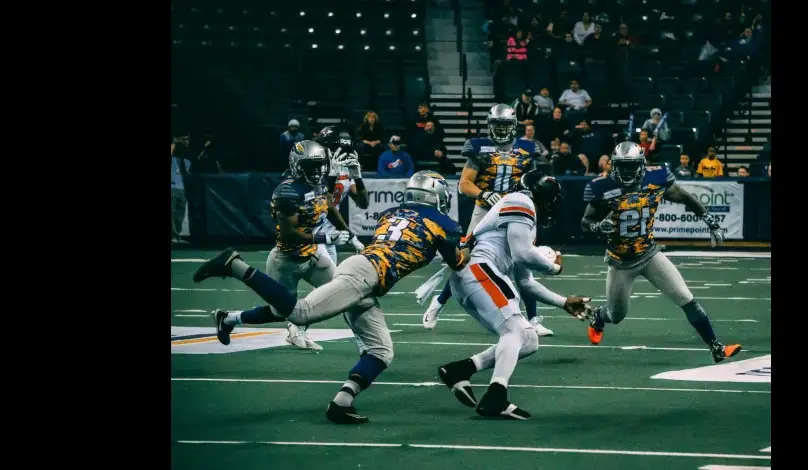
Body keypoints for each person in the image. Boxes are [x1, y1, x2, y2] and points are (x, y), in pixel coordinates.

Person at [193, 171, 469, 424]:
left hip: (365, 274)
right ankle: (234, 265)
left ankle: (342, 402)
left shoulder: (391, 213)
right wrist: (470, 246)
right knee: (299, 313)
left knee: (380, 351)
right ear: (438, 197)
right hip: (364, 276)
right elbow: (456, 262)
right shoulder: (443, 223)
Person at [437, 170, 592, 420]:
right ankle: (496, 396)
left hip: (476, 276)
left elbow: (525, 282)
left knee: (529, 339)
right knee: (515, 332)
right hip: (479, 270)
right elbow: (522, 254)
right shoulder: (521, 201)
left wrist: (563, 302)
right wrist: (554, 267)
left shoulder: (522, 214)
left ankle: (461, 370)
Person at [581, 141, 742, 363]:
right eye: (623, 166)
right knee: (616, 315)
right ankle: (599, 316)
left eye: (632, 166)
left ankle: (716, 347)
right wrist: (597, 227)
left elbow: (685, 197)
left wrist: (711, 222)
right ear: (614, 164)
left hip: (649, 253)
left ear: (642, 164)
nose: (627, 171)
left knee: (686, 298)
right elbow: (585, 221)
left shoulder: (656, 178)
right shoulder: (602, 187)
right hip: (621, 261)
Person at [211, 140, 358, 351]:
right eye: (311, 166)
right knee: (280, 312)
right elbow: (289, 235)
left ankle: (365, 343)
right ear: (298, 166)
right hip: (285, 261)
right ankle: (228, 319)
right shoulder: (287, 192)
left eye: (319, 165)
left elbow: (330, 207)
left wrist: (349, 234)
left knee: (344, 292)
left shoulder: (316, 183)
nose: (317, 171)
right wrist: (325, 238)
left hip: (314, 256)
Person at [422, 104, 554, 337]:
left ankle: (533, 319)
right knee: (465, 258)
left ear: (513, 126)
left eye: (505, 126)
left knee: (522, 261)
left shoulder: (526, 148)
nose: (502, 131)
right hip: (485, 210)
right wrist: (483, 193)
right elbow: (464, 184)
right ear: (489, 125)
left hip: (514, 210)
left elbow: (532, 181)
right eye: (497, 126)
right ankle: (439, 302)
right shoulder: (478, 147)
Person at [313, 126, 370, 264]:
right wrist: (351, 236)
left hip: (330, 235)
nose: (340, 153)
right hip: (312, 235)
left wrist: (358, 178)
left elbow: (363, 204)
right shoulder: (315, 167)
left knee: (329, 282)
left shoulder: (343, 167)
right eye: (336, 149)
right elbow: (326, 205)